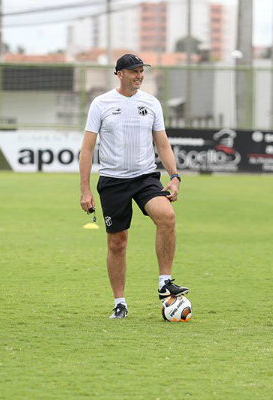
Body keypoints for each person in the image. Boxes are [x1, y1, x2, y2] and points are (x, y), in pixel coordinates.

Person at [79, 54, 189, 319]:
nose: (139, 75)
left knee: (167, 216)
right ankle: (120, 303)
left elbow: (162, 143)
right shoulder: (101, 103)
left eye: (141, 71)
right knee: (118, 243)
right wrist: (85, 189)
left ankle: (164, 281)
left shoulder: (151, 103)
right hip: (113, 182)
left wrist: (174, 176)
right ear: (119, 74)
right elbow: (87, 148)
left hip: (145, 178)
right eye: (133, 71)